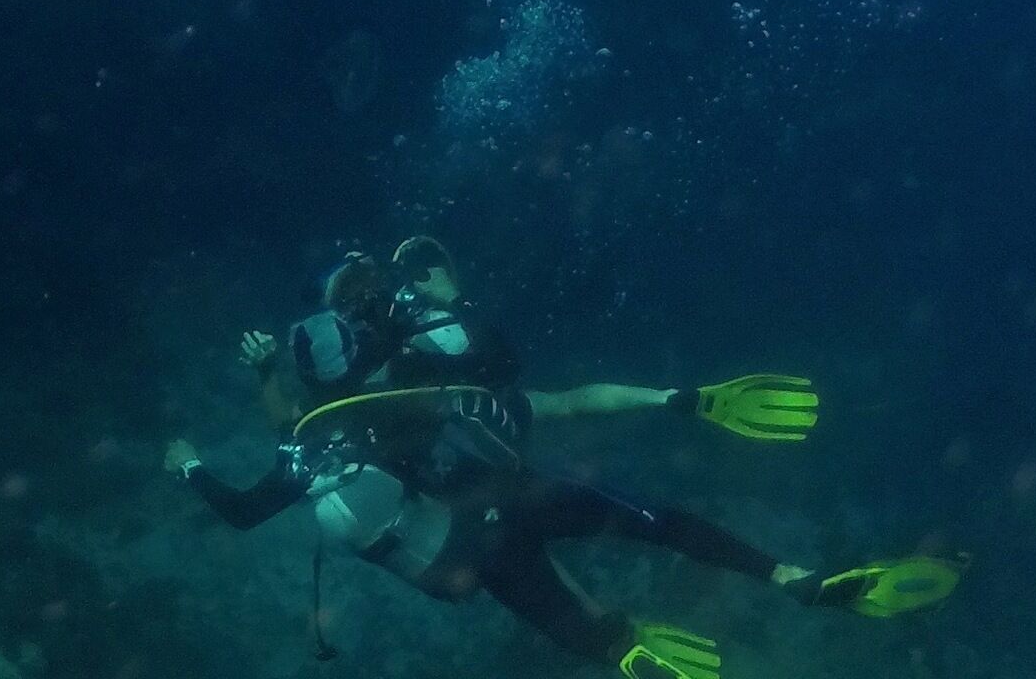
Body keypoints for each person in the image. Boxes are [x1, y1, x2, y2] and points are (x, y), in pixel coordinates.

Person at [169, 241, 960, 677]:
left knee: (576, 621)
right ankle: (795, 580)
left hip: (473, 547)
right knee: (664, 524)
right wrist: (680, 398)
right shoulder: (449, 380)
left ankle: (628, 650)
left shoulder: (346, 422)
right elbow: (573, 398)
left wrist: (191, 462)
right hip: (527, 493)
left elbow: (275, 463)